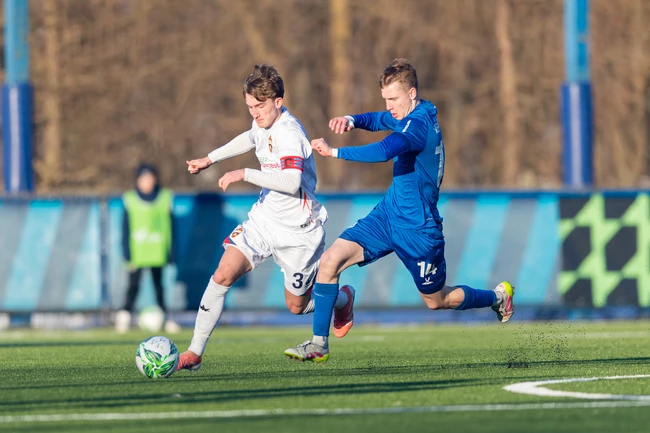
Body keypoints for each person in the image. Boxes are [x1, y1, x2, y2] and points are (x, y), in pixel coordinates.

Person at [284, 59, 515, 363]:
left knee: (437, 300)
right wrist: (352, 119)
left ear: (412, 93)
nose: (389, 106)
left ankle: (498, 297)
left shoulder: (417, 125)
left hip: (418, 229)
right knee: (330, 261)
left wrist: (334, 152)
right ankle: (318, 344)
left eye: (393, 99)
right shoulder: (411, 112)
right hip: (387, 216)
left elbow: (384, 151)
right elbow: (380, 118)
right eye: (386, 99)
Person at [176, 64, 354, 371]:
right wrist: (210, 159)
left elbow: (291, 182)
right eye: (250, 107)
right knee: (222, 274)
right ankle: (194, 352)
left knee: (296, 306)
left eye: (260, 106)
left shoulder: (290, 133)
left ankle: (342, 300)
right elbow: (250, 137)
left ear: (278, 102)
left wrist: (244, 173)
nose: (255, 113)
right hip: (263, 221)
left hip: (299, 231)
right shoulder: (262, 123)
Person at [115, 163, 180, 334]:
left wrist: (172, 251)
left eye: (150, 177)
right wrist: (127, 253)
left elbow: (172, 226)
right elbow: (125, 227)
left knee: (159, 286)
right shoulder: (130, 199)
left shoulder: (165, 197)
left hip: (158, 250)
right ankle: (124, 317)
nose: (148, 181)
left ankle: (165, 318)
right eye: (144, 178)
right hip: (138, 251)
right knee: (133, 285)